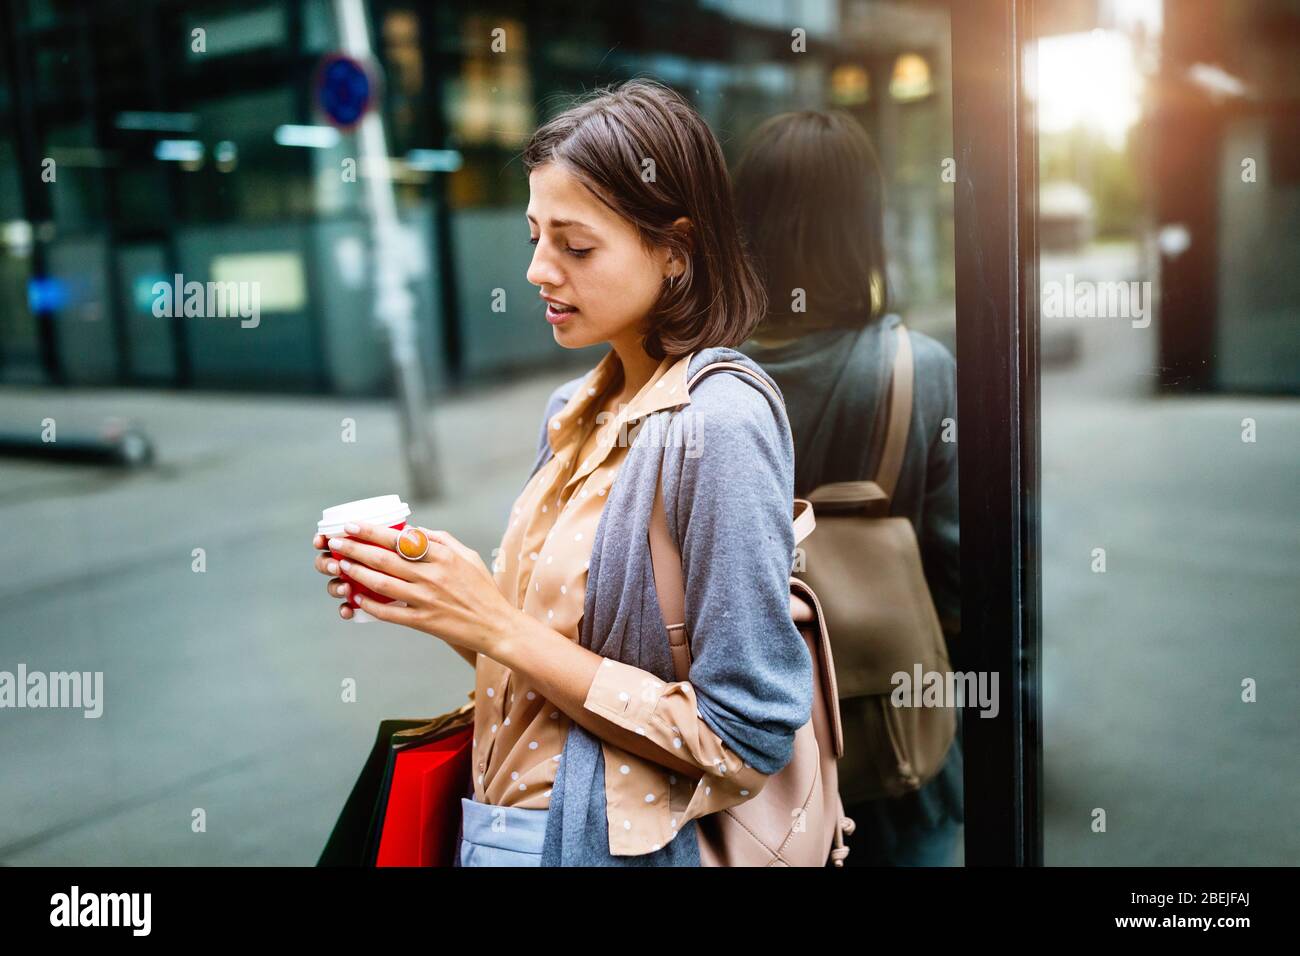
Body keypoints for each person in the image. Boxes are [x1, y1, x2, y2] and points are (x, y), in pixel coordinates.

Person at [310, 79, 814, 866]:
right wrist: (444, 601)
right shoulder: (574, 407)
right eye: (534, 235)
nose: (540, 270)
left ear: (676, 249)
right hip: (500, 832)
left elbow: (746, 736)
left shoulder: (720, 424)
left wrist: (497, 624)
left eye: (575, 246)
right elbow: (543, 669)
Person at [734, 109, 965, 866]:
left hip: (746, 785)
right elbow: (967, 579)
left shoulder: (700, 379)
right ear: (865, 226)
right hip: (897, 763)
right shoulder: (916, 371)